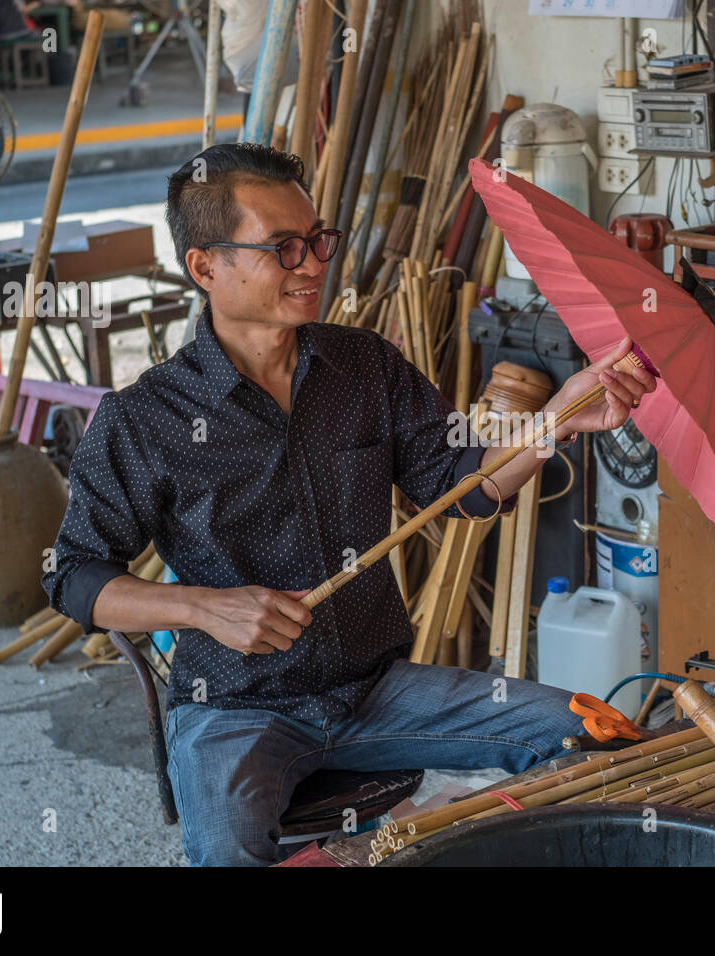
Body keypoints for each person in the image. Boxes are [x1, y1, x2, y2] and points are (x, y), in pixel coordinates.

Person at [42, 142, 655, 865]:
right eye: (283, 248)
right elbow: (73, 576)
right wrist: (204, 608)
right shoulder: (144, 418)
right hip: (233, 709)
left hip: (376, 690)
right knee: (230, 855)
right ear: (206, 266)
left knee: (594, 737)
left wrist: (555, 420)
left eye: (319, 240)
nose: (313, 263)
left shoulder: (364, 366)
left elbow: (462, 484)